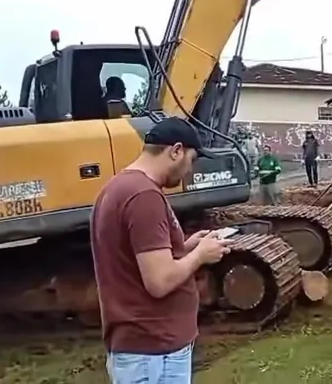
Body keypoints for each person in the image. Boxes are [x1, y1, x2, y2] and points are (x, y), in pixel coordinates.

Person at [90, 117, 234, 384]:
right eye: (191, 160)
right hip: (154, 351)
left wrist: (185, 247)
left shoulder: (119, 187)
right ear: (176, 150)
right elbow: (160, 281)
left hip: (146, 349)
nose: (189, 170)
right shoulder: (144, 196)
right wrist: (200, 255)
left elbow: (135, 256)